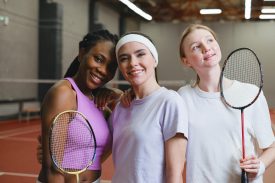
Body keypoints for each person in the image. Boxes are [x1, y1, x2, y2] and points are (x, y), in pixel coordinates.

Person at [178, 24, 275, 183]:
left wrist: (260, 166)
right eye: (196, 47)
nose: (206, 47)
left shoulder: (250, 93)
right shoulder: (183, 97)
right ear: (186, 60)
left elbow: (271, 147)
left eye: (209, 40)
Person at [38, 29, 120, 183]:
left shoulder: (101, 105)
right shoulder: (63, 93)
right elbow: (52, 170)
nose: (103, 70)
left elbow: (97, 154)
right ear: (82, 54)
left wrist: (118, 95)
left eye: (111, 67)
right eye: (98, 59)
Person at [109, 32, 188, 183]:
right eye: (124, 58)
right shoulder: (121, 107)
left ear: (155, 60)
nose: (132, 63)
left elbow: (175, 174)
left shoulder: (169, 101)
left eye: (140, 54)